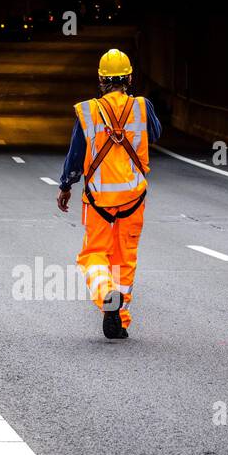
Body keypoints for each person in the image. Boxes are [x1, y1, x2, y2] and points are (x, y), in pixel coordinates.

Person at [56, 48, 161, 339]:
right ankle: (121, 319)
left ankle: (106, 296)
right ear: (129, 77)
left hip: (99, 200)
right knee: (124, 258)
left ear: (101, 81)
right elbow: (156, 133)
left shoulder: (88, 111)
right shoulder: (142, 106)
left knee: (93, 254)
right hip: (133, 198)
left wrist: (66, 184)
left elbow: (76, 154)